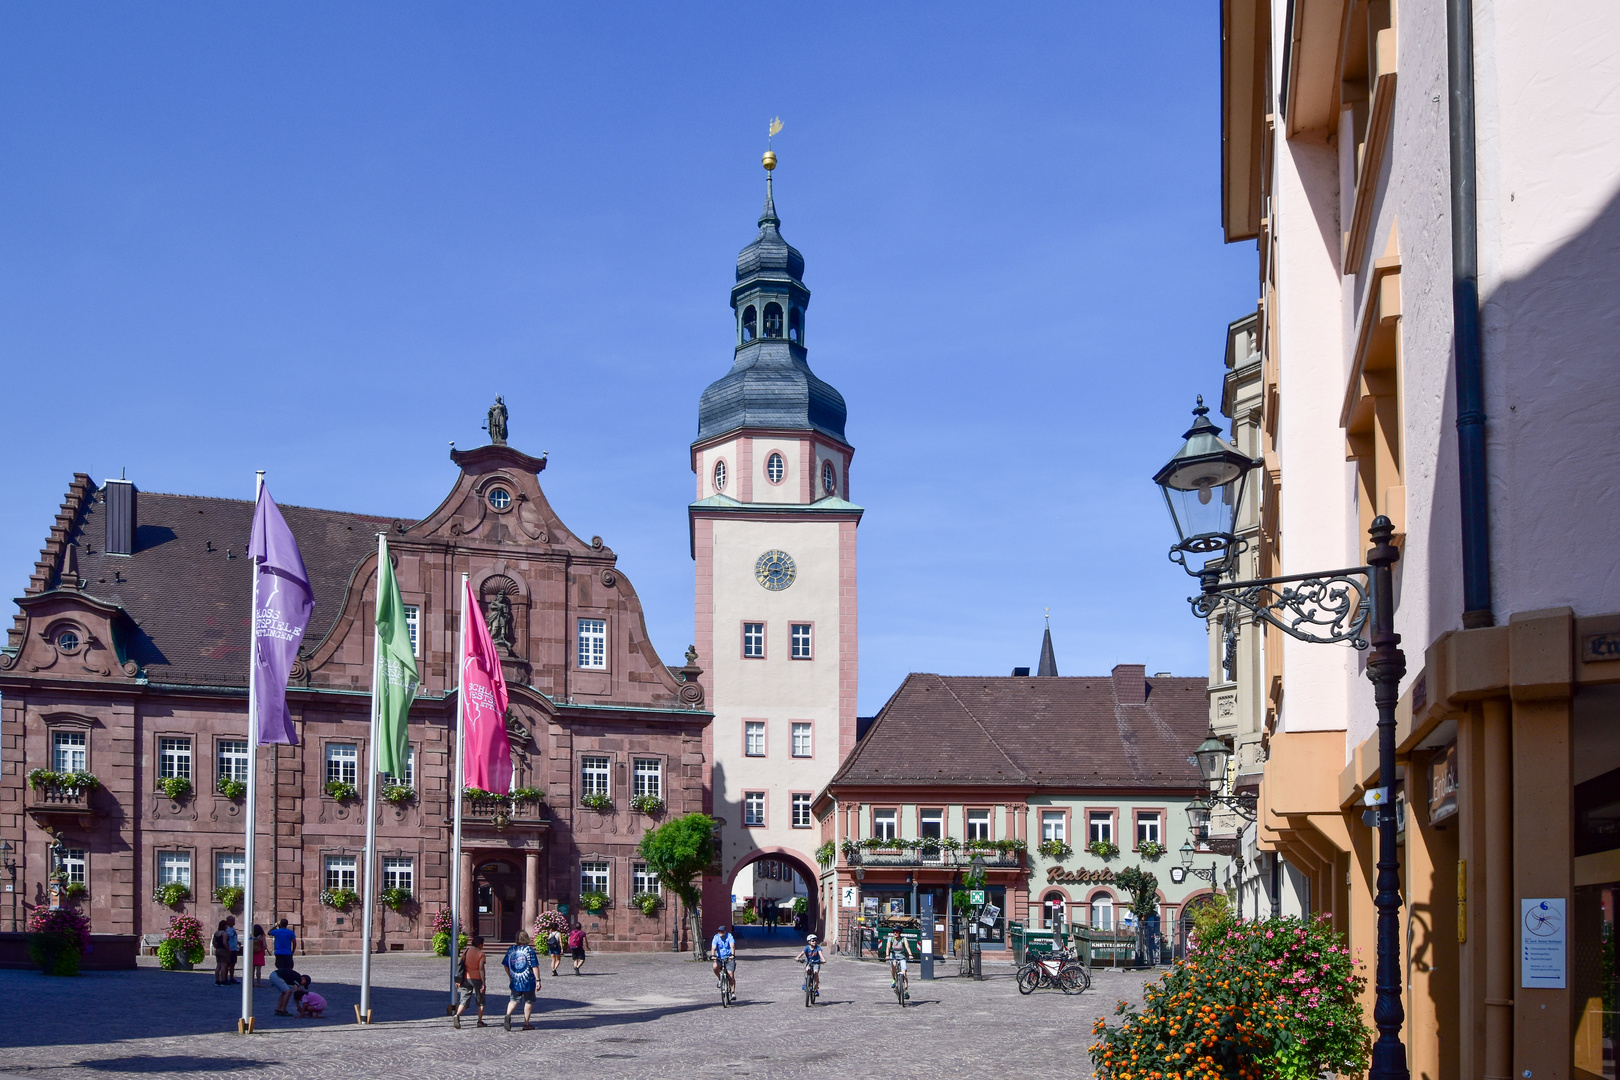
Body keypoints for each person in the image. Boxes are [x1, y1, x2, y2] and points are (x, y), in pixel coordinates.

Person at [501, 930, 540, 1031]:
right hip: (528, 981)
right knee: (528, 1000)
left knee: (513, 1000)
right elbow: (534, 966)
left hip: (515, 980)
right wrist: (538, 980)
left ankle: (508, 1014)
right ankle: (526, 1023)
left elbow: (505, 965)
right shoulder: (529, 950)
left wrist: (510, 975)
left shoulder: (511, 949)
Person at [453, 934, 488, 1029]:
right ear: (480, 944)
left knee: (464, 999)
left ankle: (457, 1015)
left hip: (465, 978)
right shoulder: (481, 954)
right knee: (480, 1001)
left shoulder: (466, 951)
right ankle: (479, 1021)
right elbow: (481, 969)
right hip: (477, 979)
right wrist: (483, 983)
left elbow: (461, 966)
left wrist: (459, 980)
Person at [710, 923, 736, 997]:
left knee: (731, 974)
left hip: (728, 958)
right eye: (719, 931)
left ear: (725, 931)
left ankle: (733, 992)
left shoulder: (729, 936)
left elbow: (732, 946)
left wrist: (732, 955)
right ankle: (720, 979)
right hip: (720, 958)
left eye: (722, 931)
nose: (720, 933)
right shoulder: (716, 937)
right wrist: (713, 955)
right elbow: (713, 947)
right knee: (715, 967)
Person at [883, 931, 911, 1000]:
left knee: (904, 974)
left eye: (897, 932)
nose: (895, 933)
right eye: (894, 932)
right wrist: (887, 955)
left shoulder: (903, 939)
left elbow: (907, 947)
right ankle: (893, 979)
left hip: (902, 957)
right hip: (893, 956)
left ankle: (906, 991)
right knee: (893, 965)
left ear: (900, 933)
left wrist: (910, 954)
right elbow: (888, 947)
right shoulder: (891, 939)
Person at [797, 933, 825, 1000]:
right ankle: (805, 983)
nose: (814, 942)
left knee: (816, 973)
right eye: (813, 941)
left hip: (816, 963)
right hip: (809, 963)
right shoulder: (807, 948)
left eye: (815, 941)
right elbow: (802, 953)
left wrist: (823, 959)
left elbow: (820, 954)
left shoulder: (818, 948)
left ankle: (816, 989)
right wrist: (797, 957)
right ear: (809, 942)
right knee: (807, 970)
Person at [212, 920, 231, 986]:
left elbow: (214, 942)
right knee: (224, 965)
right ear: (224, 926)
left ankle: (217, 980)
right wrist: (228, 949)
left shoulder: (216, 933)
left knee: (218, 965)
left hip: (218, 950)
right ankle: (223, 980)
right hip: (223, 950)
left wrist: (217, 947)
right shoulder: (224, 933)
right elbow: (224, 942)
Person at [224, 915, 241, 985]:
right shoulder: (227, 929)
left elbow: (233, 937)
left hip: (234, 948)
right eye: (232, 920)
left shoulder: (233, 929)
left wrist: (237, 942)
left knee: (232, 964)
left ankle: (231, 977)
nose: (233, 922)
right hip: (229, 949)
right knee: (227, 964)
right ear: (227, 921)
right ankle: (225, 978)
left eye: (234, 920)